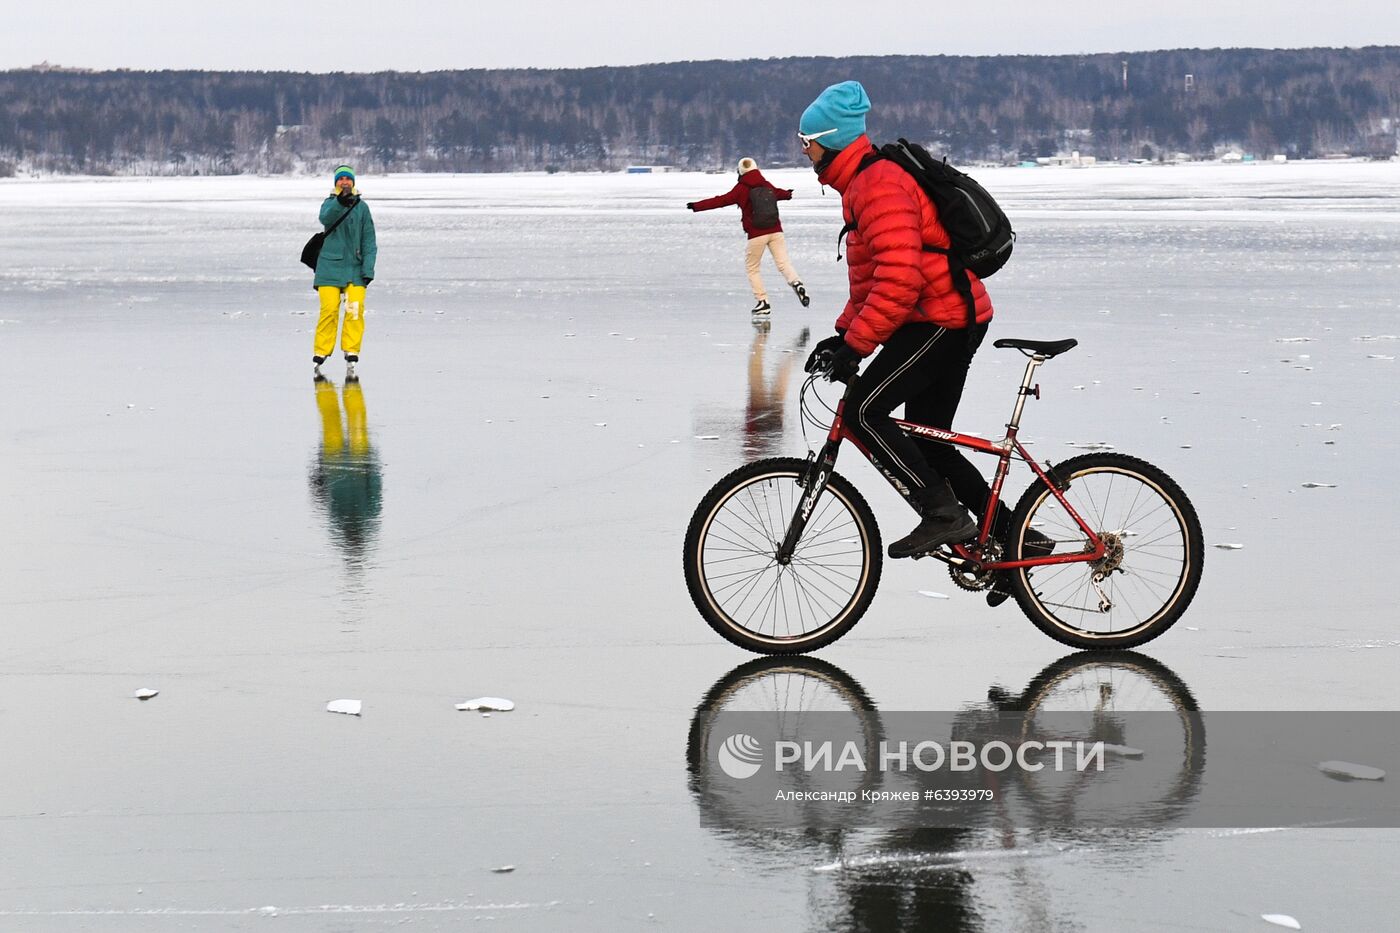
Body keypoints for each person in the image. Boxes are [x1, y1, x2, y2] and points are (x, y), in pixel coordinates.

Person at [798, 80, 1040, 578]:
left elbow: (901, 279)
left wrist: (857, 344)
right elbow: (872, 279)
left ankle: (943, 514)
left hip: (943, 317)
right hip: (943, 315)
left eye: (807, 142)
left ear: (831, 139)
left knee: (864, 411)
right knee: (930, 442)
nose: (804, 151)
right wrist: (843, 335)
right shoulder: (862, 184)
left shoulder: (878, 184)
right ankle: (1018, 539)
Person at [687, 157, 810, 316]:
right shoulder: (765, 184)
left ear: (740, 171)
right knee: (783, 263)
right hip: (776, 231)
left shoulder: (741, 188)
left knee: (752, 268)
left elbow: (721, 201)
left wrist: (697, 206)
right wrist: (788, 194)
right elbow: (779, 193)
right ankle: (796, 282)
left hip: (757, 234)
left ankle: (762, 301)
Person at [313, 165, 377, 374]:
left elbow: (369, 240)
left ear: (353, 182)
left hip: (356, 269)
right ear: (335, 183)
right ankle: (321, 351)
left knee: (355, 309)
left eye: (347, 179)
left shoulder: (362, 208)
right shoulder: (329, 203)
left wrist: (368, 269)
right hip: (329, 267)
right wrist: (340, 202)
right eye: (340, 179)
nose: (344, 182)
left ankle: (351, 351)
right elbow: (326, 218)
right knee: (329, 310)